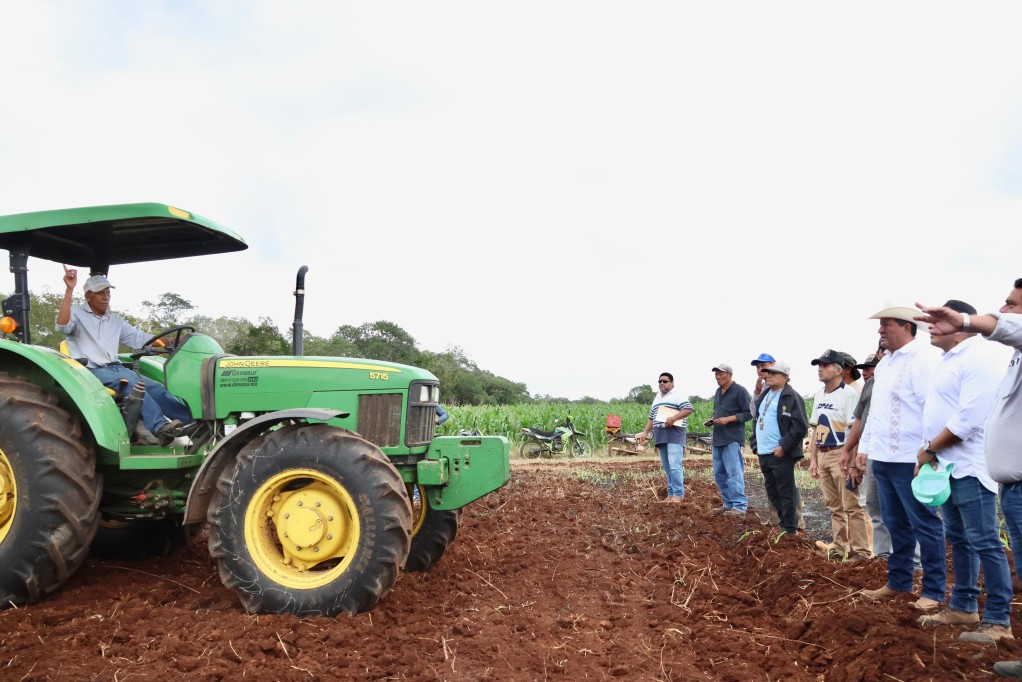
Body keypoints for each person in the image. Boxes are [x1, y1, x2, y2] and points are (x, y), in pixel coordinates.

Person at [915, 281, 1022, 666]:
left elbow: (968, 417)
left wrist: (929, 448)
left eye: (939, 322)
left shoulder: (978, 358)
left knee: (984, 541)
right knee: (958, 537)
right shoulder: (951, 360)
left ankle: (998, 618)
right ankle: (963, 604)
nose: (931, 328)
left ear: (959, 325)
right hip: (949, 465)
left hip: (970, 466)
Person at [858, 304, 946, 612]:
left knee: (924, 524)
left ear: (907, 327)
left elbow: (932, 410)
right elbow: (875, 414)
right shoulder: (884, 365)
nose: (880, 330)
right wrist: (864, 450)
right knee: (895, 524)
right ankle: (898, 583)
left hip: (910, 459)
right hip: (882, 458)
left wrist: (927, 451)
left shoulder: (923, 360)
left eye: (887, 325)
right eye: (880, 325)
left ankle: (934, 590)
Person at [55, 268, 197, 445]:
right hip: (90, 370)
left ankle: (196, 425)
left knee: (156, 388)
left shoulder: (115, 320)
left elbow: (140, 339)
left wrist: (171, 340)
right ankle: (160, 427)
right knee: (132, 383)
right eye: (100, 293)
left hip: (116, 367)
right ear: (88, 296)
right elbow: (62, 326)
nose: (106, 296)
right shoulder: (76, 313)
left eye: (107, 292)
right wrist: (69, 290)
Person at [807, 349, 872, 562]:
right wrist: (814, 459)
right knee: (833, 506)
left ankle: (861, 551)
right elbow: (816, 429)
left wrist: (852, 461)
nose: (820, 369)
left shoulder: (849, 395)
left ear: (839, 370)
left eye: (825, 365)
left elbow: (855, 429)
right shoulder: (819, 395)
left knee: (852, 505)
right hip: (824, 454)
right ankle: (839, 547)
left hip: (840, 453)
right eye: (819, 365)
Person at [841, 350, 893, 557]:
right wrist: (851, 452)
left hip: (896, 454)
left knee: (898, 509)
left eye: (869, 368)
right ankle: (882, 557)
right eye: (864, 369)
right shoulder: (870, 386)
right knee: (874, 506)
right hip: (871, 451)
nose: (866, 372)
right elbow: (861, 421)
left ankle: (913, 563)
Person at [750, 353, 805, 530]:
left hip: (780, 453)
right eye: (768, 372)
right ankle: (783, 523)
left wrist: (784, 446)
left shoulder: (791, 397)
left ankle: (790, 529)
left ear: (786, 377)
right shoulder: (765, 394)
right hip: (764, 453)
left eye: (774, 372)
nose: (769, 375)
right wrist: (755, 445)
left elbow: (800, 426)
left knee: (786, 492)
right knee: (772, 492)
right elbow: (756, 420)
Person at [638, 372, 694, 503]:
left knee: (675, 465)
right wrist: (645, 432)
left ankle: (678, 494)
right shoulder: (657, 399)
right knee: (667, 467)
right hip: (660, 435)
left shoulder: (677, 395)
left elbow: (688, 409)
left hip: (674, 434)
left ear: (672, 383)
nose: (662, 383)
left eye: (665, 381)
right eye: (660, 381)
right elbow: (651, 418)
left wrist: (673, 418)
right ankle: (671, 494)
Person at [708, 363, 752, 516]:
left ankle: (739, 506)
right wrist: (713, 419)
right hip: (718, 438)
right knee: (719, 474)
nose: (718, 377)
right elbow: (719, 412)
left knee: (734, 473)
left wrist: (728, 419)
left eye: (721, 374)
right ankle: (728, 504)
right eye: (716, 374)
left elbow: (748, 413)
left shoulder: (740, 391)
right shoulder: (718, 392)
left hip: (732, 439)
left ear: (730, 374)